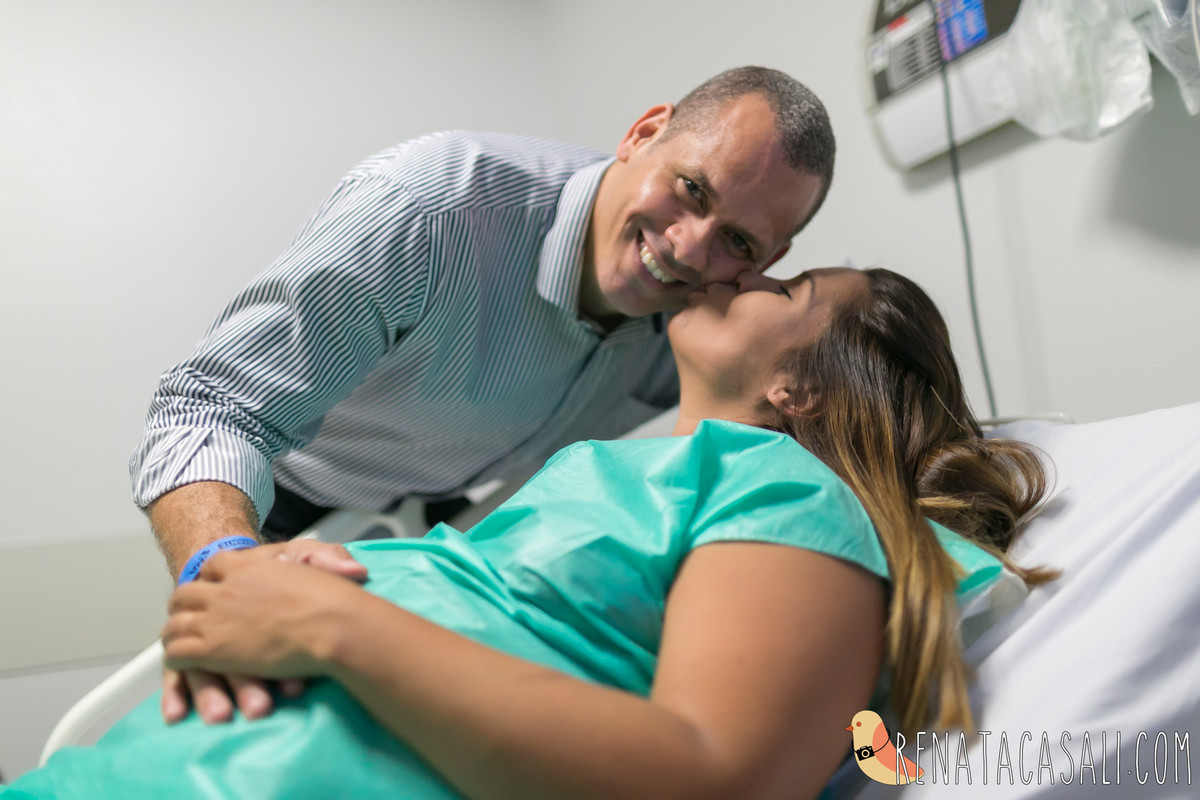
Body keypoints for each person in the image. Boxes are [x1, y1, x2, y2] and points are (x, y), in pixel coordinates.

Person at [9, 267, 1052, 799]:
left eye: (781, 283)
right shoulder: (613, 466)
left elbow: (714, 773)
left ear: (798, 387)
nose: (734, 271)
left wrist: (329, 625)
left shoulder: (786, 490)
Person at [129, 66, 837, 723]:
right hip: (276, 502)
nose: (689, 248)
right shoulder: (429, 208)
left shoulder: (702, 328)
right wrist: (222, 560)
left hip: (447, 528)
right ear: (643, 133)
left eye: (738, 241)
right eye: (691, 189)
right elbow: (212, 407)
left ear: (768, 262)